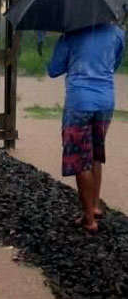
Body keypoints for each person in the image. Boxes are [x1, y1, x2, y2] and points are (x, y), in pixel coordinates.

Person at [48, 23, 124, 233]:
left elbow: (53, 69)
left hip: (79, 102)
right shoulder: (117, 33)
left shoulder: (71, 34)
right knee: (95, 155)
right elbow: (114, 64)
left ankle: (89, 218)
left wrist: (61, 44)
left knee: (80, 160)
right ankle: (96, 205)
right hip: (106, 101)